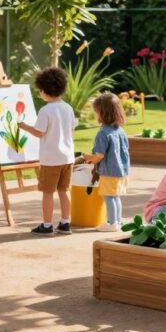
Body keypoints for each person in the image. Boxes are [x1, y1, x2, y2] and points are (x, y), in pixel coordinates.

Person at [19, 67, 77, 236]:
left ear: (44, 91)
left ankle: (46, 225)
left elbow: (39, 132)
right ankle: (65, 223)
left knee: (47, 192)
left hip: (51, 159)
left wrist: (24, 126)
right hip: (67, 158)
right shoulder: (68, 108)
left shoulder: (46, 110)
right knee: (64, 191)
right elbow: (71, 129)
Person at [84, 93, 130, 232]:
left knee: (109, 196)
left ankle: (111, 223)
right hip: (122, 170)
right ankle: (118, 221)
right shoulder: (120, 130)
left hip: (109, 171)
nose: (96, 115)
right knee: (115, 196)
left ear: (102, 113)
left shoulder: (103, 133)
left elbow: (99, 155)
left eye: (96, 112)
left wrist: (89, 158)